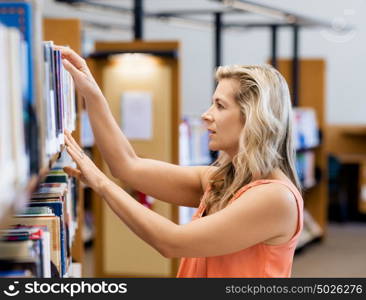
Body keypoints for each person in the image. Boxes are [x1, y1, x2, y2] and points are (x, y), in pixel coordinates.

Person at [57, 46, 303, 278]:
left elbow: (172, 242)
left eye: (219, 105)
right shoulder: (222, 181)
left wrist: (101, 183)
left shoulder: (275, 198)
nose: (206, 115)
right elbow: (127, 166)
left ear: (253, 119)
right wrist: (92, 93)